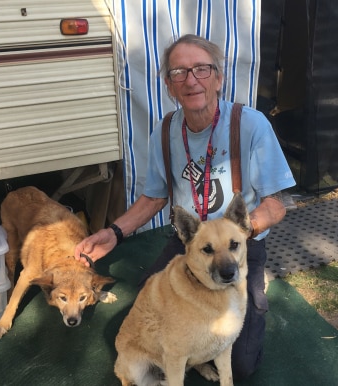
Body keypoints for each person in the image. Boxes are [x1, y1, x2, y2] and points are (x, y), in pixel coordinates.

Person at [74, 33, 296, 380]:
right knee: (151, 307)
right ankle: (186, 350)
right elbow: (154, 197)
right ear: (169, 86)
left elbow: (277, 205)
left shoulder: (250, 125)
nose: (191, 80)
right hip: (188, 245)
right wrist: (114, 232)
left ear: (218, 78)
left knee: (241, 365)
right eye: (179, 73)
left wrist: (238, 234)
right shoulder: (164, 131)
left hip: (241, 246)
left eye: (202, 69)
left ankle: (210, 347)